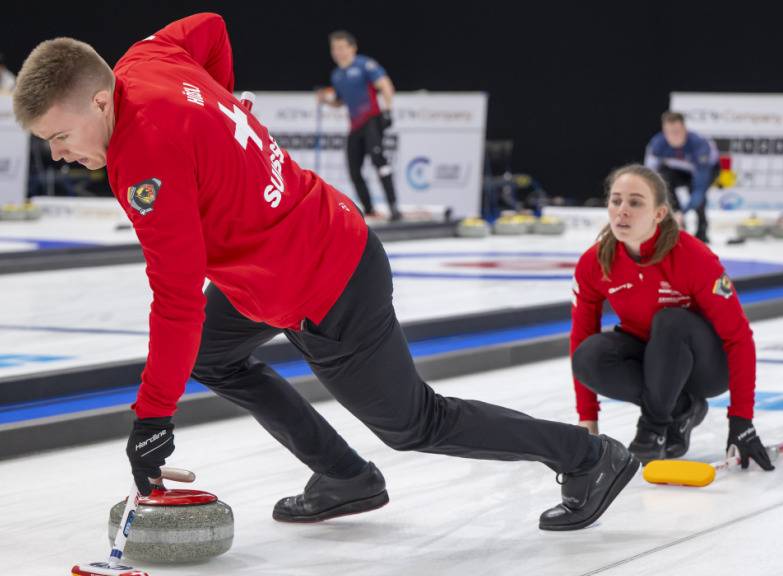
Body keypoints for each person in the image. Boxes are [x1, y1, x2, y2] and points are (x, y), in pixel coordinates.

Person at [13, 13, 637, 532]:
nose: (58, 153)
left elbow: (177, 300)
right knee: (210, 356)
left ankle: (589, 456)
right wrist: (223, 114)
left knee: (416, 423)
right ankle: (344, 475)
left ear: (101, 100)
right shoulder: (145, 59)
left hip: (330, 285)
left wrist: (152, 418)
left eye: (60, 135)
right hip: (295, 254)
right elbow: (210, 25)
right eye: (47, 142)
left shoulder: (142, 162)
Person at [569, 164, 774, 472]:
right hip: (651, 356)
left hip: (705, 367)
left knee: (671, 321)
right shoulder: (594, 262)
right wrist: (588, 421)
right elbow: (581, 335)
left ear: (659, 213)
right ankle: (682, 409)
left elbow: (738, 337)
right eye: (616, 201)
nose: (622, 210)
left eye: (635, 202)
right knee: (588, 356)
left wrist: (741, 420)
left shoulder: (693, 257)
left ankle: (653, 428)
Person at [315, 30, 401, 221]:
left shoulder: (364, 65)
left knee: (379, 162)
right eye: (334, 48)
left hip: (372, 120)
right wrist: (325, 100)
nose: (338, 52)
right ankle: (369, 210)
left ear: (352, 48)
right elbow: (340, 101)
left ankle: (394, 207)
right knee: (353, 169)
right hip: (355, 126)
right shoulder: (337, 75)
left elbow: (385, 85)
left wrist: (387, 111)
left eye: (342, 47)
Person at [643, 112, 719, 243]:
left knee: (697, 197)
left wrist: (683, 212)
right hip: (677, 171)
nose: (673, 136)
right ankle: (677, 222)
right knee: (661, 180)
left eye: (676, 131)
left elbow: (699, 189)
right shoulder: (657, 144)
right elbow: (649, 176)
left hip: (705, 171)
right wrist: (673, 212)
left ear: (684, 129)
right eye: (668, 132)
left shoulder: (699, 144)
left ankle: (702, 229)